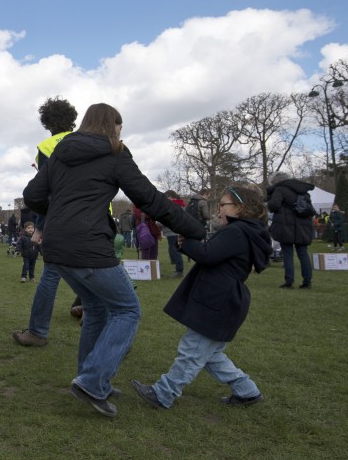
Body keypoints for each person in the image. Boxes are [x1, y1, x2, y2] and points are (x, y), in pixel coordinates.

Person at [23, 103, 206, 418]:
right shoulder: (115, 153)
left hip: (56, 246)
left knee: (95, 309)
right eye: (120, 127)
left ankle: (88, 377)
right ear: (113, 126)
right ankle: (93, 381)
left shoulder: (59, 154)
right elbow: (149, 199)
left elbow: (32, 195)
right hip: (88, 245)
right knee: (127, 309)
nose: (122, 132)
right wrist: (195, 229)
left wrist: (59, 212)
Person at [131, 185, 271, 410]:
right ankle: (247, 391)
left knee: (192, 351)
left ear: (240, 208)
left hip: (218, 300)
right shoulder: (246, 231)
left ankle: (163, 393)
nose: (218, 211)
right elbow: (213, 253)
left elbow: (208, 254)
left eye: (223, 205)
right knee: (210, 354)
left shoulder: (237, 231)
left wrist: (186, 243)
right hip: (224, 300)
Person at [12, 96, 78, 347]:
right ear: (73, 119)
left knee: (50, 275)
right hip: (95, 217)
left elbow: (44, 192)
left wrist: (39, 227)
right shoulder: (91, 141)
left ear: (46, 123)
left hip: (60, 218)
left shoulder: (47, 147)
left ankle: (38, 332)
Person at [267, 172, 314, 289]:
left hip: (285, 226)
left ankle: (289, 281)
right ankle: (307, 281)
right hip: (302, 226)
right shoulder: (303, 191)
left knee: (288, 254)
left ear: (276, 181)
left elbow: (273, 206)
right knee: (303, 253)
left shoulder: (280, 190)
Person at [161, 190, 186, 277]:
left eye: (167, 198)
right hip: (173, 231)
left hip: (173, 231)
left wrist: (159, 222)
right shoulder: (179, 205)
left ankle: (179, 270)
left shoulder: (174, 206)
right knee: (174, 249)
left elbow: (168, 219)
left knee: (175, 250)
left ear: (171, 197)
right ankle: (178, 269)